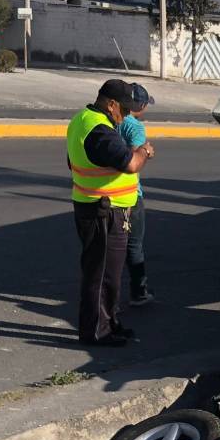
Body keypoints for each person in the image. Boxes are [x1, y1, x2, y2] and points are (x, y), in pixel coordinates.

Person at [66, 79, 155, 347]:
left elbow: (72, 161)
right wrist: (144, 151)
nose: (125, 115)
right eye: (124, 110)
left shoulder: (82, 119)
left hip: (99, 206)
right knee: (102, 275)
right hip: (103, 210)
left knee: (110, 275)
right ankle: (96, 331)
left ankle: (109, 323)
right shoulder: (100, 131)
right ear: (111, 104)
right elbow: (131, 164)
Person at [119, 83, 155, 306]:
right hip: (130, 194)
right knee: (134, 246)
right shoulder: (135, 127)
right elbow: (134, 161)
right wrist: (146, 152)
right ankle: (139, 292)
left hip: (106, 193)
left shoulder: (111, 122)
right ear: (140, 106)